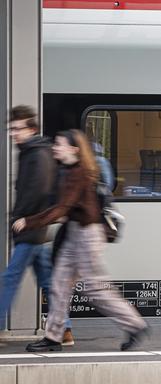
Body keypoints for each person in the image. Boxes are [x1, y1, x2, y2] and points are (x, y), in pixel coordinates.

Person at [14, 130, 148, 352]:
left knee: (94, 287)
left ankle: (136, 325)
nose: (55, 147)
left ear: (74, 149)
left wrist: (30, 222)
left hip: (88, 234)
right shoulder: (67, 170)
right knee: (58, 284)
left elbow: (61, 209)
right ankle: (53, 337)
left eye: (59, 144)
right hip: (74, 232)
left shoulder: (80, 173)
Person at [3, 106, 74, 346]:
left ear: (31, 129)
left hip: (31, 227)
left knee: (10, 277)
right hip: (35, 227)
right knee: (47, 280)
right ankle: (64, 328)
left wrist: (21, 220)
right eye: (10, 129)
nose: (13, 133)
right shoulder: (30, 151)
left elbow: (36, 193)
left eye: (17, 128)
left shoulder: (37, 154)